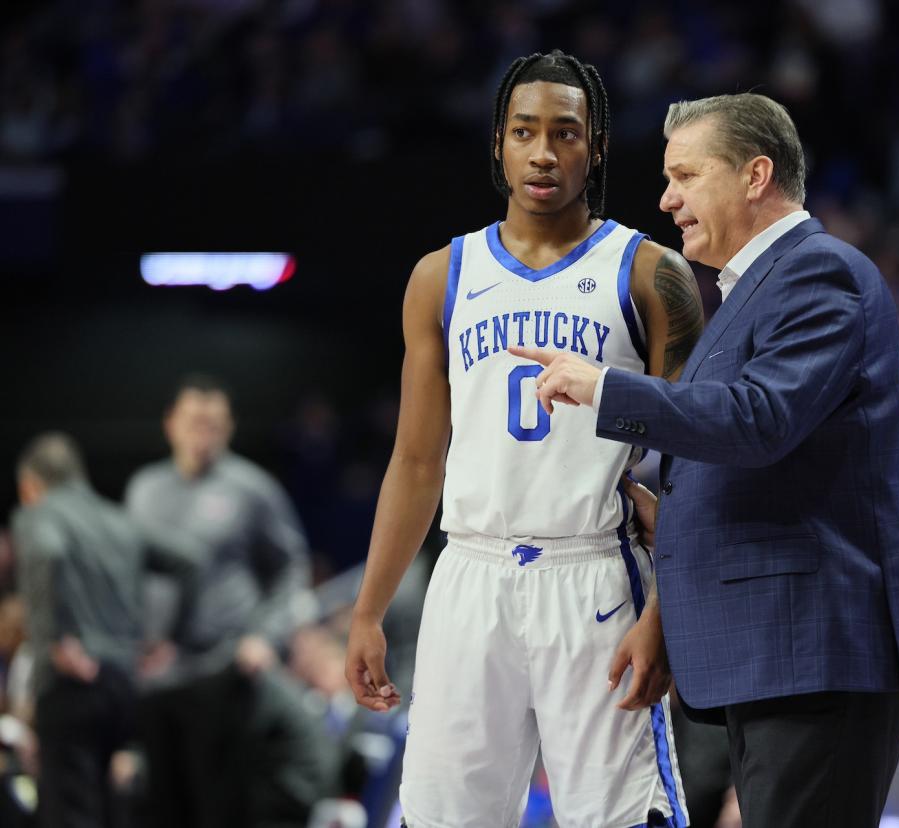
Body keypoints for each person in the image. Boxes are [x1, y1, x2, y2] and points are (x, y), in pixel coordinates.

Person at [514, 92, 899, 828]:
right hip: (776, 653)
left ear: (755, 175)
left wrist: (606, 388)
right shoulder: (752, 292)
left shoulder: (820, 273)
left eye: (685, 175)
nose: (667, 197)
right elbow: (751, 449)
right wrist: (672, 518)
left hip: (819, 650)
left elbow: (759, 420)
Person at [343, 50, 698, 828]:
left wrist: (669, 610)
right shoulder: (442, 275)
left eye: (566, 134)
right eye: (525, 132)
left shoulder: (651, 273)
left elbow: (690, 466)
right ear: (498, 144)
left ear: (595, 147)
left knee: (622, 818)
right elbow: (414, 460)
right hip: (469, 570)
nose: (544, 152)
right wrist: (369, 609)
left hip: (594, 574)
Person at [125, 375, 315, 828]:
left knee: (221, 808)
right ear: (171, 424)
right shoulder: (143, 490)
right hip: (157, 677)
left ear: (228, 428)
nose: (203, 433)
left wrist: (265, 637)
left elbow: (292, 568)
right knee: (160, 806)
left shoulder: (252, 489)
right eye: (194, 421)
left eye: (214, 424)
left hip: (224, 671)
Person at [10, 433, 147, 828]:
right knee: (110, 805)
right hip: (122, 682)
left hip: (72, 682)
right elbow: (185, 560)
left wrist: (53, 640)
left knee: (69, 812)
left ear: (30, 485)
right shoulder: (118, 519)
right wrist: (161, 638)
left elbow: (48, 551)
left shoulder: (39, 513)